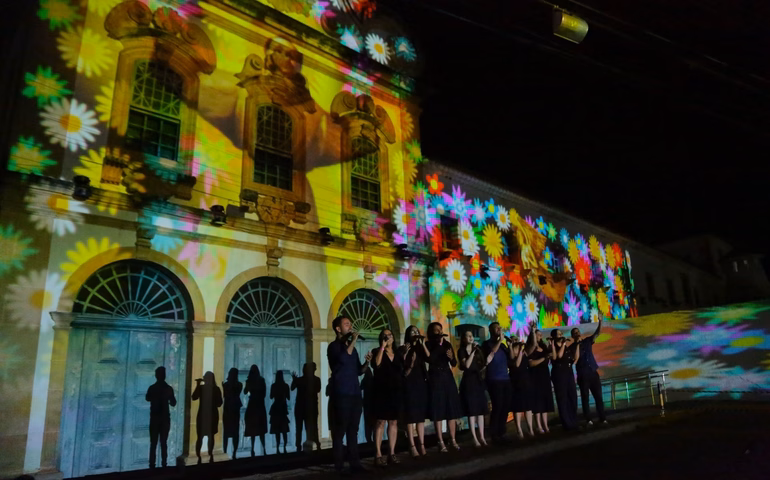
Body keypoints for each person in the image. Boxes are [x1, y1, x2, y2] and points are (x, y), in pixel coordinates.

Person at [327, 315, 372, 474]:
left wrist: (367, 362)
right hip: (342, 394)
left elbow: (359, 371)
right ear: (338, 329)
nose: (351, 327)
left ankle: (355, 464)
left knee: (353, 430)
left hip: (354, 394)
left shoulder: (352, 350)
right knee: (339, 432)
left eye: (350, 324)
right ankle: (339, 465)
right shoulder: (333, 347)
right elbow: (342, 360)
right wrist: (353, 341)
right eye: (347, 324)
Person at [426, 322, 462, 452]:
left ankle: (453, 439)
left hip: (447, 376)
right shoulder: (428, 345)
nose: (439, 332)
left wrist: (452, 357)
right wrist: (439, 344)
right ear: (431, 332)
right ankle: (440, 441)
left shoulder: (447, 344)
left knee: (451, 409)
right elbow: (431, 359)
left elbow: (454, 363)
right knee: (438, 410)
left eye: (440, 329)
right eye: (436, 330)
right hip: (436, 378)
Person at [371, 328, 403, 466]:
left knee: (393, 422)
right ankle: (378, 454)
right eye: (384, 336)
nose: (387, 337)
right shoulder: (376, 351)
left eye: (390, 335)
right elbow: (376, 364)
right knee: (380, 422)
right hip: (381, 391)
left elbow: (402, 371)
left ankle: (392, 453)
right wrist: (382, 348)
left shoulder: (398, 354)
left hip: (395, 392)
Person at [399, 326, 430, 457]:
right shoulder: (403, 348)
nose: (416, 333)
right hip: (409, 384)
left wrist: (422, 344)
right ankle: (412, 445)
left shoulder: (420, 349)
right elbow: (400, 365)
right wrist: (405, 353)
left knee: (420, 417)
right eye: (413, 332)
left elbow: (429, 358)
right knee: (411, 416)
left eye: (417, 331)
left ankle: (422, 444)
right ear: (408, 334)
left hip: (420, 383)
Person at [572, 317, 608, 426]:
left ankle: (602, 418)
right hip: (583, 375)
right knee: (585, 398)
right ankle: (588, 420)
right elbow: (574, 360)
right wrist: (577, 345)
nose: (577, 334)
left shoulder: (587, 341)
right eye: (575, 333)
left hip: (593, 372)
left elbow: (597, 333)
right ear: (573, 336)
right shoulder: (572, 347)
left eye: (578, 332)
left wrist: (600, 321)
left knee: (598, 396)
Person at [482, 322, 512, 443]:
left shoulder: (503, 346)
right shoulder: (486, 344)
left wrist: (509, 346)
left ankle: (502, 432)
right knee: (498, 406)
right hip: (494, 379)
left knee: (506, 406)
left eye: (500, 327)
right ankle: (494, 434)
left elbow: (511, 359)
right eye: (496, 328)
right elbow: (491, 354)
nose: (499, 329)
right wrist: (500, 341)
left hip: (506, 378)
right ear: (491, 330)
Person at [457, 330, 488, 448]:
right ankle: (474, 438)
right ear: (464, 339)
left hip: (478, 381)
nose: (471, 337)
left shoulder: (478, 351)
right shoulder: (462, 351)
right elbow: (467, 365)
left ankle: (482, 437)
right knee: (472, 411)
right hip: (469, 382)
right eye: (468, 335)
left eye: (471, 335)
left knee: (480, 411)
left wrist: (486, 363)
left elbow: (481, 366)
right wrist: (473, 352)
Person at [145, 366, 177, 469]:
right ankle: (164, 464)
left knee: (153, 443)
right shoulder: (168, 388)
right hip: (164, 418)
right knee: (164, 442)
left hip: (154, 418)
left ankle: (152, 465)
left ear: (156, 376)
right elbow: (173, 403)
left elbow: (147, 398)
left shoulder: (152, 388)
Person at [525, 322, 554, 434]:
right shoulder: (530, 348)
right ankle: (538, 425)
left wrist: (551, 345)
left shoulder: (543, 347)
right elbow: (531, 364)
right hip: (534, 376)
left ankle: (545, 425)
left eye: (541, 335)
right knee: (537, 401)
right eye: (538, 335)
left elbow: (550, 357)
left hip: (545, 375)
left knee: (545, 400)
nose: (540, 337)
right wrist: (543, 359)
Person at [550, 329, 580, 431]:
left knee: (572, 397)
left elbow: (574, 360)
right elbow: (558, 356)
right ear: (554, 336)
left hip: (569, 372)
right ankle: (567, 424)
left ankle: (574, 421)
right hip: (559, 373)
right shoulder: (553, 346)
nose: (562, 335)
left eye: (561, 333)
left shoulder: (566, 347)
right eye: (559, 334)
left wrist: (578, 345)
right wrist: (563, 344)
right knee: (563, 399)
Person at [192, 371, 223, 464]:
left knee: (201, 436)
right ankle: (209, 455)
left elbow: (194, 397)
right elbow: (219, 403)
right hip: (211, 414)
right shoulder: (216, 389)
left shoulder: (203, 388)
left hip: (204, 414)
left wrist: (198, 385)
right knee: (209, 436)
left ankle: (200, 456)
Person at [291, 362, 322, 452]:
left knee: (300, 427)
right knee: (312, 426)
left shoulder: (301, 380)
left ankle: (299, 446)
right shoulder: (316, 379)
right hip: (310, 407)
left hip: (301, 407)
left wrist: (295, 380)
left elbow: (292, 388)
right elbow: (318, 389)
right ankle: (317, 444)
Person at [508, 334, 535, 439]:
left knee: (528, 407)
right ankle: (519, 430)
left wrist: (532, 331)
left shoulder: (524, 352)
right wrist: (520, 351)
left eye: (517, 339)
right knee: (517, 407)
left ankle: (530, 429)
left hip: (525, 381)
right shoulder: (511, 352)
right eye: (514, 339)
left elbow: (532, 346)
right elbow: (517, 364)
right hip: (515, 382)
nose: (517, 341)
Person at [244, 364, 268, 456]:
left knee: (253, 428)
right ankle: (264, 449)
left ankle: (253, 449)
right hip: (259, 405)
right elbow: (264, 394)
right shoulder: (261, 380)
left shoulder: (252, 381)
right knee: (260, 428)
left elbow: (245, 392)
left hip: (253, 405)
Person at [222, 368, 243, 459]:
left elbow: (225, 395)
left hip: (228, 409)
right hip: (234, 410)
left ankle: (226, 451)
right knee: (235, 432)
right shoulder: (239, 384)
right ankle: (234, 452)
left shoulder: (226, 385)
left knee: (226, 432)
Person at [269, 371, 291, 454]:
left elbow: (271, 396)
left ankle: (278, 447)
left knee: (277, 430)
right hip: (282, 408)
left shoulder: (273, 386)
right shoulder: (285, 386)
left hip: (275, 408)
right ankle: (285, 447)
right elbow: (288, 397)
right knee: (284, 429)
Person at [361, 364, 375, 444]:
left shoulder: (365, 380)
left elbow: (360, 387)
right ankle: (372, 439)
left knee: (368, 423)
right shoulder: (372, 380)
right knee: (373, 423)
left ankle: (369, 439)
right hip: (372, 404)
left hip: (367, 404)